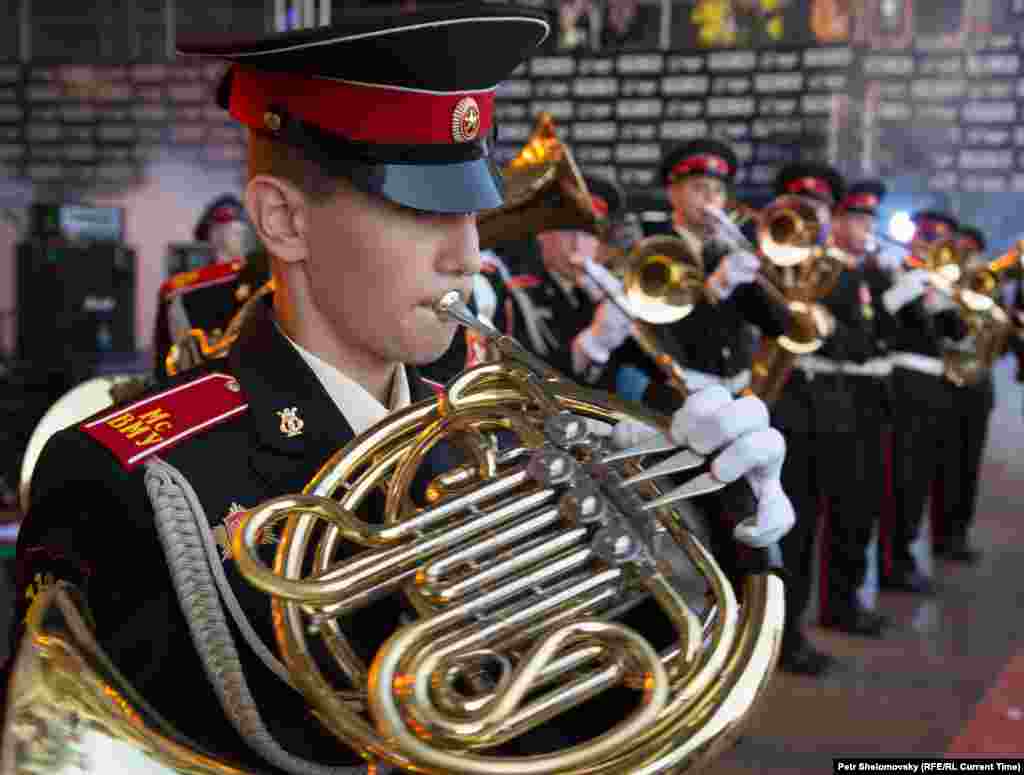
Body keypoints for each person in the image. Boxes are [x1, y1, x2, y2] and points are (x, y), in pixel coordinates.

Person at [9, 6, 794, 774]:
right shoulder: (130, 479)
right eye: (424, 208)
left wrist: (714, 526)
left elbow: (594, 700)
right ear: (283, 221)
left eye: (476, 211)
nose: (468, 255)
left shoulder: (502, 416)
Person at [795, 181, 893, 638]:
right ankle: (805, 617)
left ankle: (844, 601)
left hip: (866, 401)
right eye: (855, 218)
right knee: (812, 514)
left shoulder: (868, 270)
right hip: (827, 395)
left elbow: (878, 334)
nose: (865, 228)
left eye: (869, 220)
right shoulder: (815, 267)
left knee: (859, 507)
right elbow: (838, 338)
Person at [878, 210, 967, 596]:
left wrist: (943, 298)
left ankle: (903, 555)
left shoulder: (934, 281)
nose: (930, 245)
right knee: (901, 475)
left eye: (938, 240)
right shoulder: (895, 267)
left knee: (919, 476)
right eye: (926, 237)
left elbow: (957, 334)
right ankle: (891, 561)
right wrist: (911, 285)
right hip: (903, 379)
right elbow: (884, 319)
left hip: (932, 383)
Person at [151, 195, 261, 375]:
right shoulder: (275, 279)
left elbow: (163, 367)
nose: (230, 234)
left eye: (236, 229)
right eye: (224, 229)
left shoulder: (177, 290)